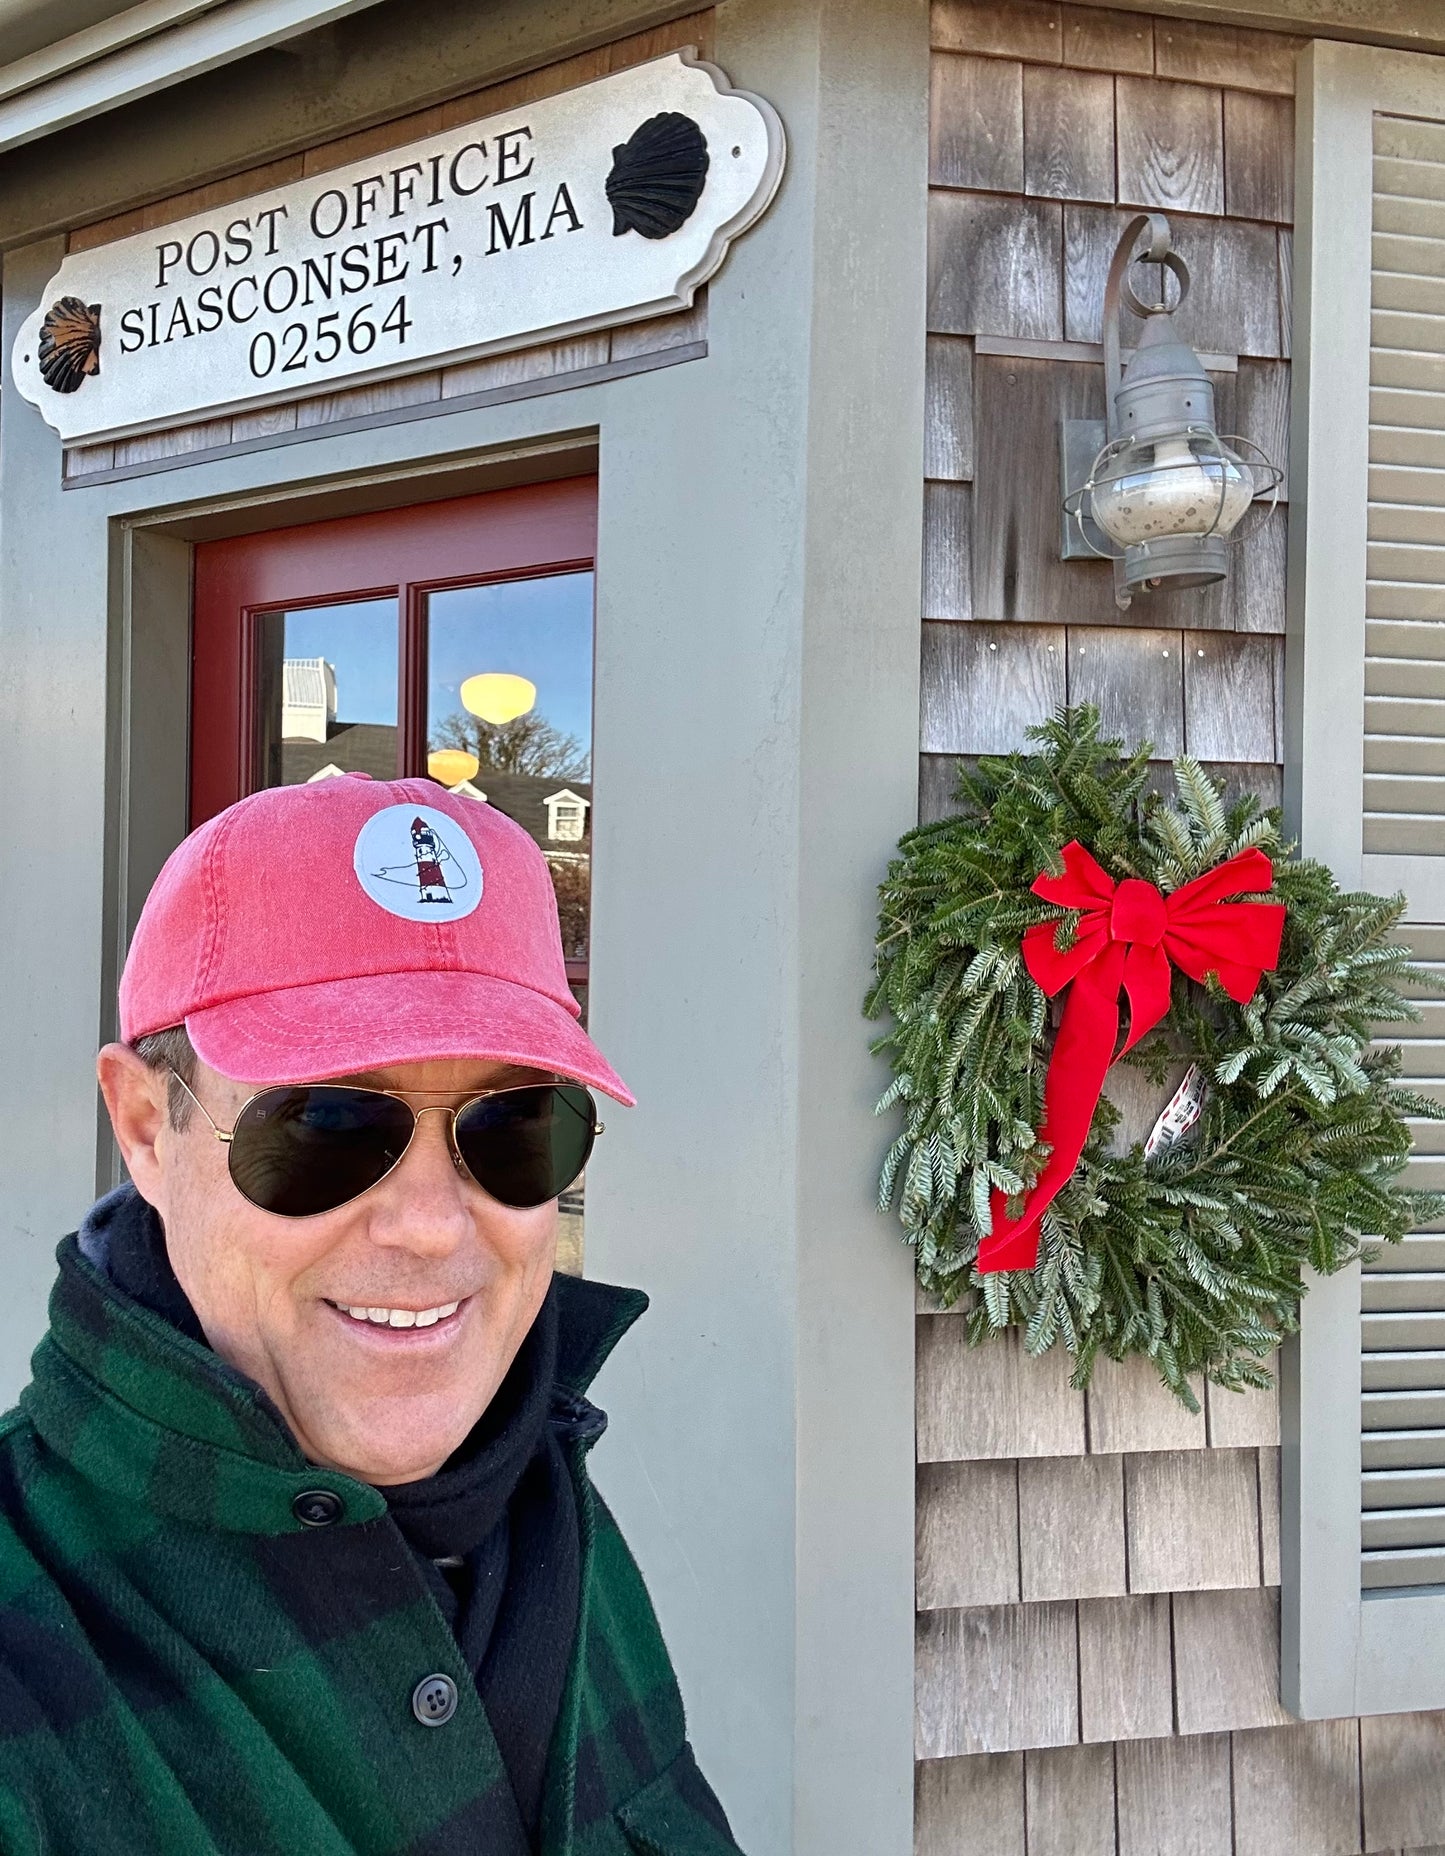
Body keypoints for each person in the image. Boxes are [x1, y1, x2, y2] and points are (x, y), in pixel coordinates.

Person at [0, 772, 741, 1856]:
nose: (434, 1225)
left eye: (513, 1121)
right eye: (329, 1124)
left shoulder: (550, 1497)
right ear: (147, 1125)